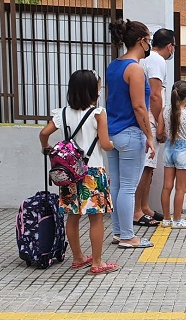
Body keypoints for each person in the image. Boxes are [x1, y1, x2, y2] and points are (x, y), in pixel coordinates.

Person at [39, 70, 119, 275]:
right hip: (92, 171)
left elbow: (43, 133)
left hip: (69, 173)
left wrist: (46, 147)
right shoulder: (98, 113)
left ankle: (78, 257)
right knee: (96, 217)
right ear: (92, 90)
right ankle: (97, 262)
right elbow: (105, 143)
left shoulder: (62, 113)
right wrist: (112, 144)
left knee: (72, 216)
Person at [106, 19, 155, 249]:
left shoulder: (114, 65)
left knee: (117, 185)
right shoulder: (134, 69)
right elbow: (139, 107)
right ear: (142, 41)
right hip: (130, 132)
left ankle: (118, 232)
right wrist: (150, 136)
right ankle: (128, 236)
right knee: (127, 186)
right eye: (149, 39)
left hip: (113, 132)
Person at [133, 28, 176, 227]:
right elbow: (155, 95)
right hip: (150, 119)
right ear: (169, 46)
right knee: (145, 167)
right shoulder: (158, 61)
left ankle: (144, 207)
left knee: (148, 168)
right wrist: (160, 123)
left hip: (143, 118)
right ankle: (137, 211)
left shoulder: (144, 59)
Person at [161, 81, 186, 229]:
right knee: (180, 188)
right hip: (183, 151)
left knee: (167, 187)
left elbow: (160, 132)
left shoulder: (165, 111)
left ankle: (166, 219)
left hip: (168, 150)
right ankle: (177, 220)